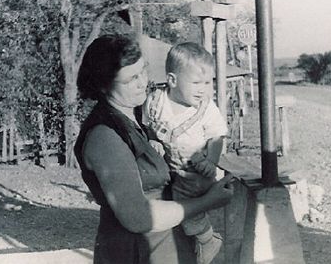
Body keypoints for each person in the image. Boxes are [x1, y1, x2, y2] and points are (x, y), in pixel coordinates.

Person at [74, 34, 235, 264]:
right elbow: (137, 217)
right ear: (103, 85)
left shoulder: (143, 114)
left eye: (143, 71)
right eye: (131, 79)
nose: (143, 82)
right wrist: (208, 201)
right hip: (135, 253)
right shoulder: (104, 135)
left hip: (168, 246)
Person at [142, 42, 230, 264]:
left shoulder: (206, 108)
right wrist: (153, 138)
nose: (203, 89)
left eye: (207, 82)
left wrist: (211, 161)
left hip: (195, 169)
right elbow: (150, 124)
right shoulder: (156, 101)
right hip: (171, 165)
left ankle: (208, 239)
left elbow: (217, 136)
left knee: (186, 208)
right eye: (196, 82)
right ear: (172, 80)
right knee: (165, 201)